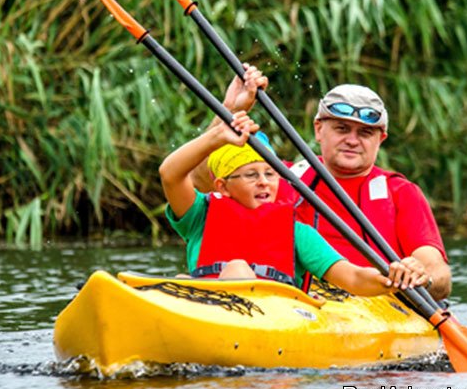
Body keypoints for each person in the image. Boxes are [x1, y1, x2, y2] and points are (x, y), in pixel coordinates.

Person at [194, 74, 451, 300]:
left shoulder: (401, 193)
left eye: (365, 132)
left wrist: (419, 276)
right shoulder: (278, 179)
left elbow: (438, 274)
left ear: (380, 139)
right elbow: (201, 179)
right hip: (299, 302)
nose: (352, 140)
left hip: (374, 301)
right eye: (341, 128)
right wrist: (229, 110)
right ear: (319, 129)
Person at [159, 111, 426, 295]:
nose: (264, 182)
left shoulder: (297, 233)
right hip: (209, 304)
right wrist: (215, 137)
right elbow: (170, 174)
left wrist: (391, 278)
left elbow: (353, 277)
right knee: (194, 279)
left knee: (236, 269)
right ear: (222, 187)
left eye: (270, 174)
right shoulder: (200, 216)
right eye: (251, 175)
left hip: (271, 315)